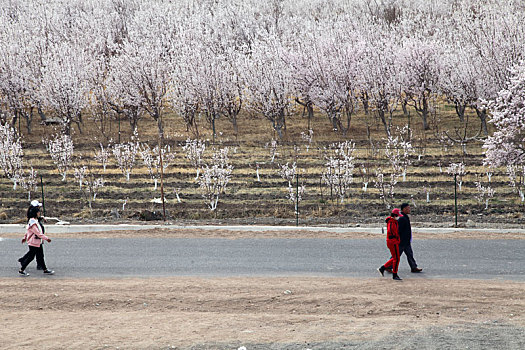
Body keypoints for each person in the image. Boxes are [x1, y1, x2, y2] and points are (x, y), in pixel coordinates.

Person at [18, 201, 55, 276]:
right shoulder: (33, 223)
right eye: (38, 212)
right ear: (35, 213)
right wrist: (46, 238)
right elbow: (37, 233)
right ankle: (22, 269)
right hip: (34, 242)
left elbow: (28, 232)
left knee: (40, 256)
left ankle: (45, 269)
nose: (39, 213)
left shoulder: (34, 221)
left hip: (37, 242)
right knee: (31, 257)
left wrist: (25, 237)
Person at [378, 208, 402, 281]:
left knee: (395, 258)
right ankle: (394, 274)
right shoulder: (392, 223)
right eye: (397, 216)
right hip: (393, 242)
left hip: (392, 241)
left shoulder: (392, 221)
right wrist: (397, 238)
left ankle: (383, 268)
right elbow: (392, 232)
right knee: (396, 258)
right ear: (394, 216)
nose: (398, 217)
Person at [398, 203, 422, 273]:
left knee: (410, 254)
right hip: (402, 241)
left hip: (406, 241)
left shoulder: (405, 217)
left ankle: (413, 267)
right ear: (404, 209)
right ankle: (387, 266)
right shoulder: (402, 218)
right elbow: (399, 230)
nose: (409, 209)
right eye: (408, 208)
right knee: (396, 255)